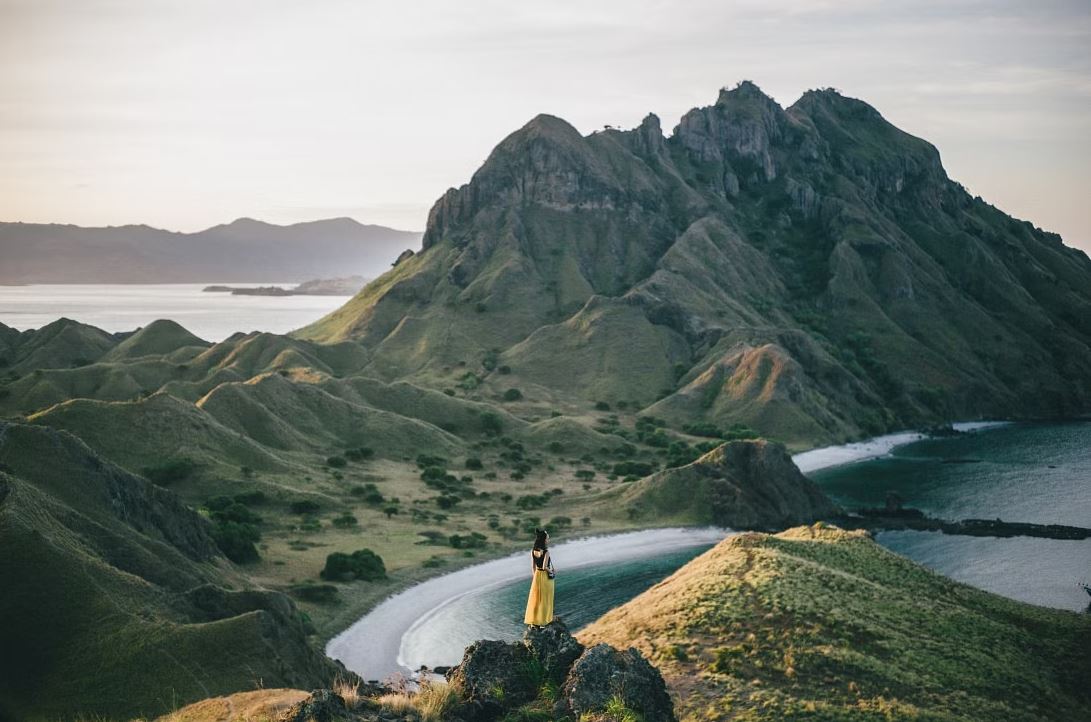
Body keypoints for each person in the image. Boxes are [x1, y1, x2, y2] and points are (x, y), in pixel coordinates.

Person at [523, 528, 555, 626]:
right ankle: (544, 620)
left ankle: (534, 620)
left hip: (537, 575)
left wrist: (535, 577)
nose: (548, 539)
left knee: (536, 599)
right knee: (546, 598)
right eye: (547, 538)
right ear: (544, 539)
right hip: (545, 577)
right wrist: (552, 571)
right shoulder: (546, 552)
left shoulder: (533, 551)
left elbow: (533, 566)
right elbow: (544, 567)